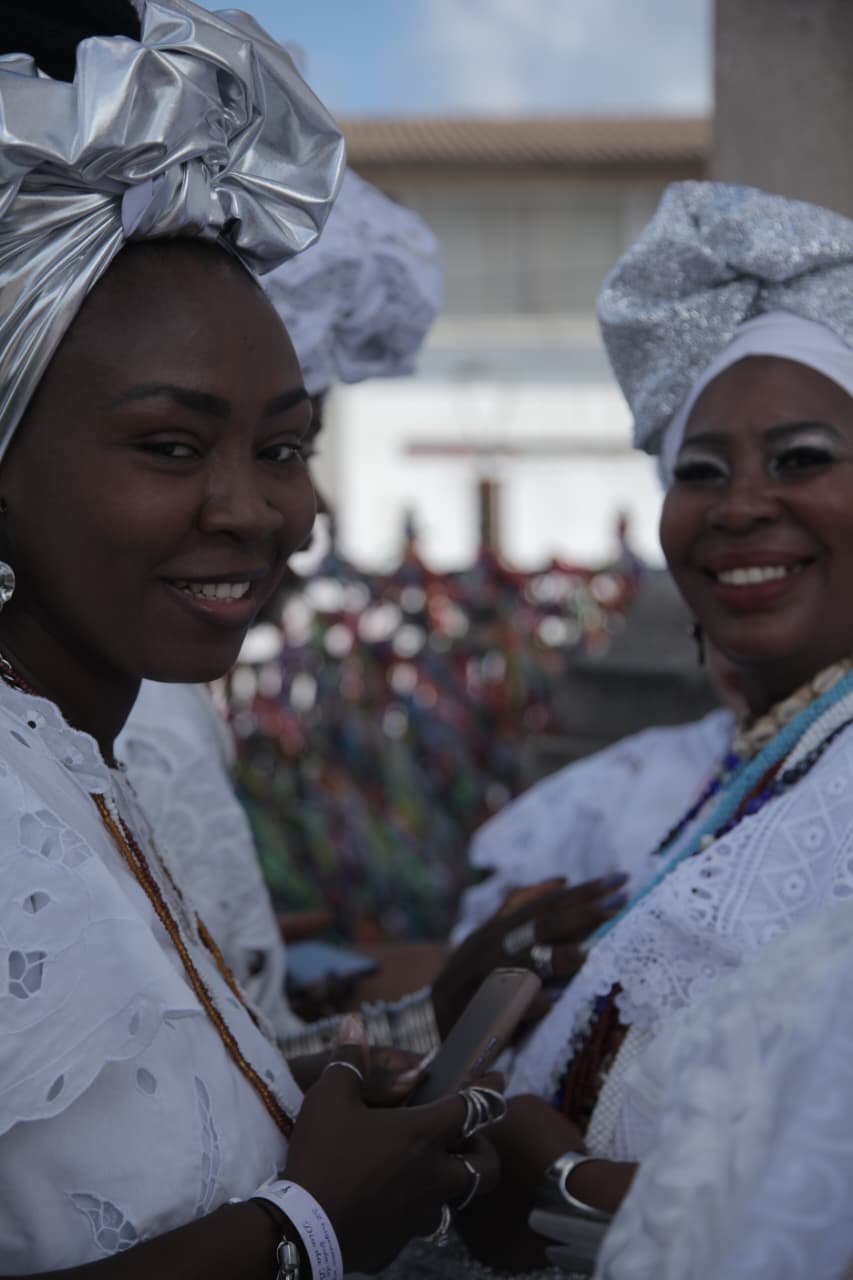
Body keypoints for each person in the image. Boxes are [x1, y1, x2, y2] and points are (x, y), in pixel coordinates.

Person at [0, 2, 503, 1274]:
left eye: (283, 446)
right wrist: (306, 1229)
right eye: (171, 444)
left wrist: (348, 1092)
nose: (256, 509)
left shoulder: (78, 759)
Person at [373, 180, 853, 1276]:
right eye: (697, 470)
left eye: (801, 457)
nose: (737, 504)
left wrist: (557, 1174)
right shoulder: (776, 754)